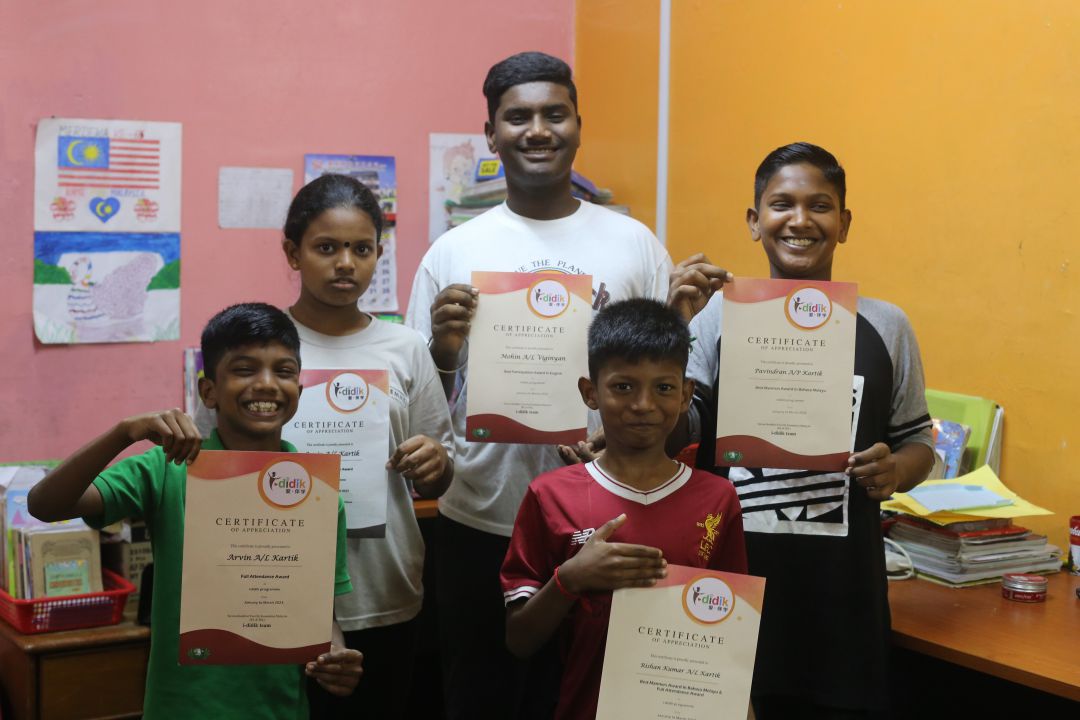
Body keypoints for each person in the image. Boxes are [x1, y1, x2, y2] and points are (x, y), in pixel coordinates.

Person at [405, 50, 728, 718]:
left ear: (579, 125)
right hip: (482, 521)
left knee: (598, 702)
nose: (538, 130)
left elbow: (658, 378)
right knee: (482, 698)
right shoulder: (452, 252)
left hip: (607, 521)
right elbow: (422, 405)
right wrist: (442, 347)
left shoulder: (635, 243)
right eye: (518, 117)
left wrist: (679, 320)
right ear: (491, 135)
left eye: (555, 113)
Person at [683, 142, 935, 718]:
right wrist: (675, 328)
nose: (800, 221)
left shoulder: (885, 325)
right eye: (782, 204)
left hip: (841, 596)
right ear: (754, 221)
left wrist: (896, 469)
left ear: (843, 224)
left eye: (820, 206)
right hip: (730, 581)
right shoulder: (716, 317)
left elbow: (919, 441)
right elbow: (678, 434)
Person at [26, 302, 362, 718]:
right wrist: (123, 432)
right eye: (243, 369)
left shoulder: (318, 491)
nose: (266, 384)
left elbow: (316, 612)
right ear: (209, 391)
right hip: (181, 707)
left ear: (299, 388)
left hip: (279, 709)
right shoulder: (169, 468)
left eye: (284, 371)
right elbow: (44, 504)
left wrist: (335, 652)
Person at [499, 298, 747, 720]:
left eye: (664, 387)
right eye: (623, 386)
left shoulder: (718, 498)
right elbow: (518, 639)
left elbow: (731, 636)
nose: (643, 404)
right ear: (590, 392)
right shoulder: (549, 495)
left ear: (687, 394)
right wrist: (571, 578)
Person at [280, 173, 454, 719]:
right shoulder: (258, 345)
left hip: (385, 589)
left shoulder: (404, 347)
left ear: (380, 252)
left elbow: (441, 471)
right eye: (326, 247)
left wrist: (434, 461)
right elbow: (217, 468)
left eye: (361, 249)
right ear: (293, 253)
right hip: (279, 588)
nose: (345, 264)